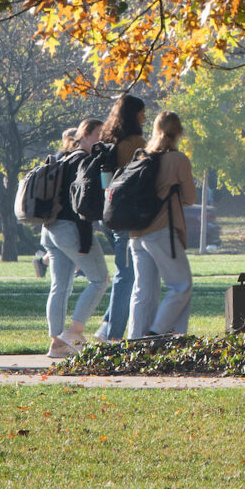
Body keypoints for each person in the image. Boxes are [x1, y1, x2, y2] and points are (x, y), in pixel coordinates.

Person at [128, 111, 198, 339]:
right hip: (161, 231)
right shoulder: (177, 159)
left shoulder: (142, 157)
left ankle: (135, 343)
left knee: (144, 292)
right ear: (179, 133)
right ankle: (158, 334)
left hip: (136, 233)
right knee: (181, 286)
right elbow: (189, 198)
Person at [44, 118, 111, 358]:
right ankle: (75, 331)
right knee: (100, 280)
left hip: (49, 228)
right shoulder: (84, 161)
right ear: (86, 134)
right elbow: (81, 205)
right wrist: (85, 241)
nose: (102, 140)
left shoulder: (63, 157)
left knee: (59, 286)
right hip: (70, 228)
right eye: (99, 135)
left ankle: (57, 342)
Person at [95, 95, 148, 341]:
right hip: (126, 216)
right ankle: (112, 335)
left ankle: (106, 327)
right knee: (126, 276)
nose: (145, 117)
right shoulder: (135, 143)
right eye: (142, 113)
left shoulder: (107, 139)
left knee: (127, 274)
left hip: (107, 212)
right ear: (134, 115)